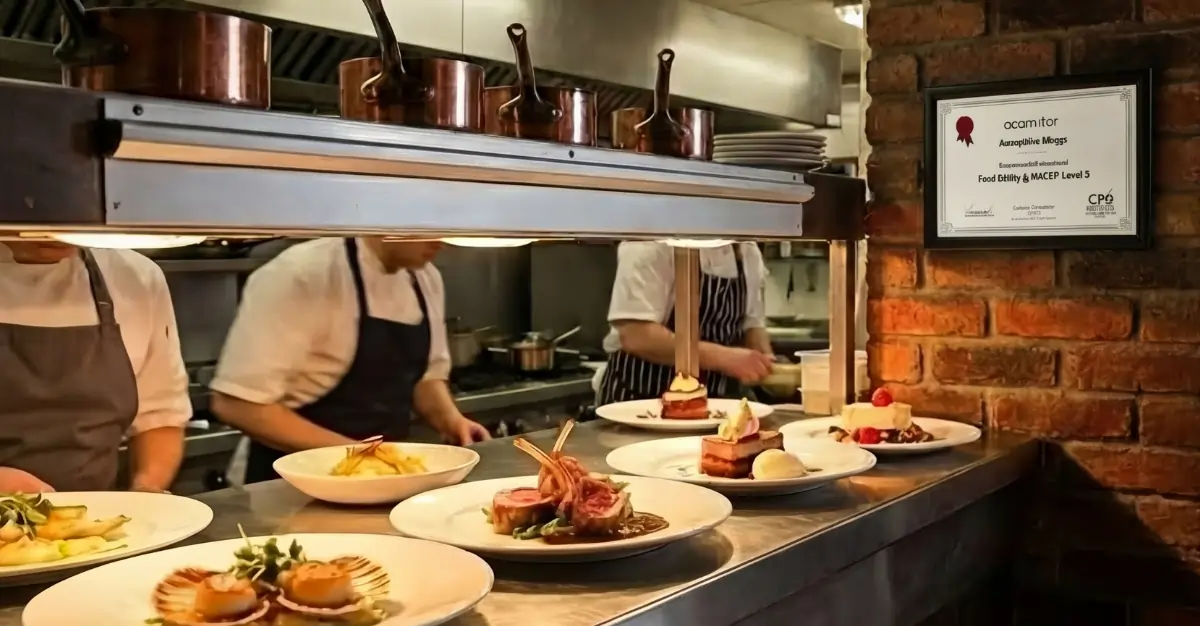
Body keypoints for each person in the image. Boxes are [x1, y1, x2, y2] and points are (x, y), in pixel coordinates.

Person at [210, 237, 491, 484]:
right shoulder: (301, 274)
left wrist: (451, 420)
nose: (441, 241)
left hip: (380, 479)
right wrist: (363, 456)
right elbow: (238, 405)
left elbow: (426, 377)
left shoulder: (425, 278)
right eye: (429, 226)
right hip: (287, 484)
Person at [0, 241, 190, 493]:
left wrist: (145, 493)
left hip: (95, 514)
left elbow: (160, 416)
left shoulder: (135, 277)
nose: (59, 235)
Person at [596, 241, 774, 404]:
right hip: (640, 403)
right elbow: (637, 336)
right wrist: (725, 358)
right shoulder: (652, 242)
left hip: (715, 407)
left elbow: (752, 326)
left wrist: (768, 366)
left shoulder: (747, 249)